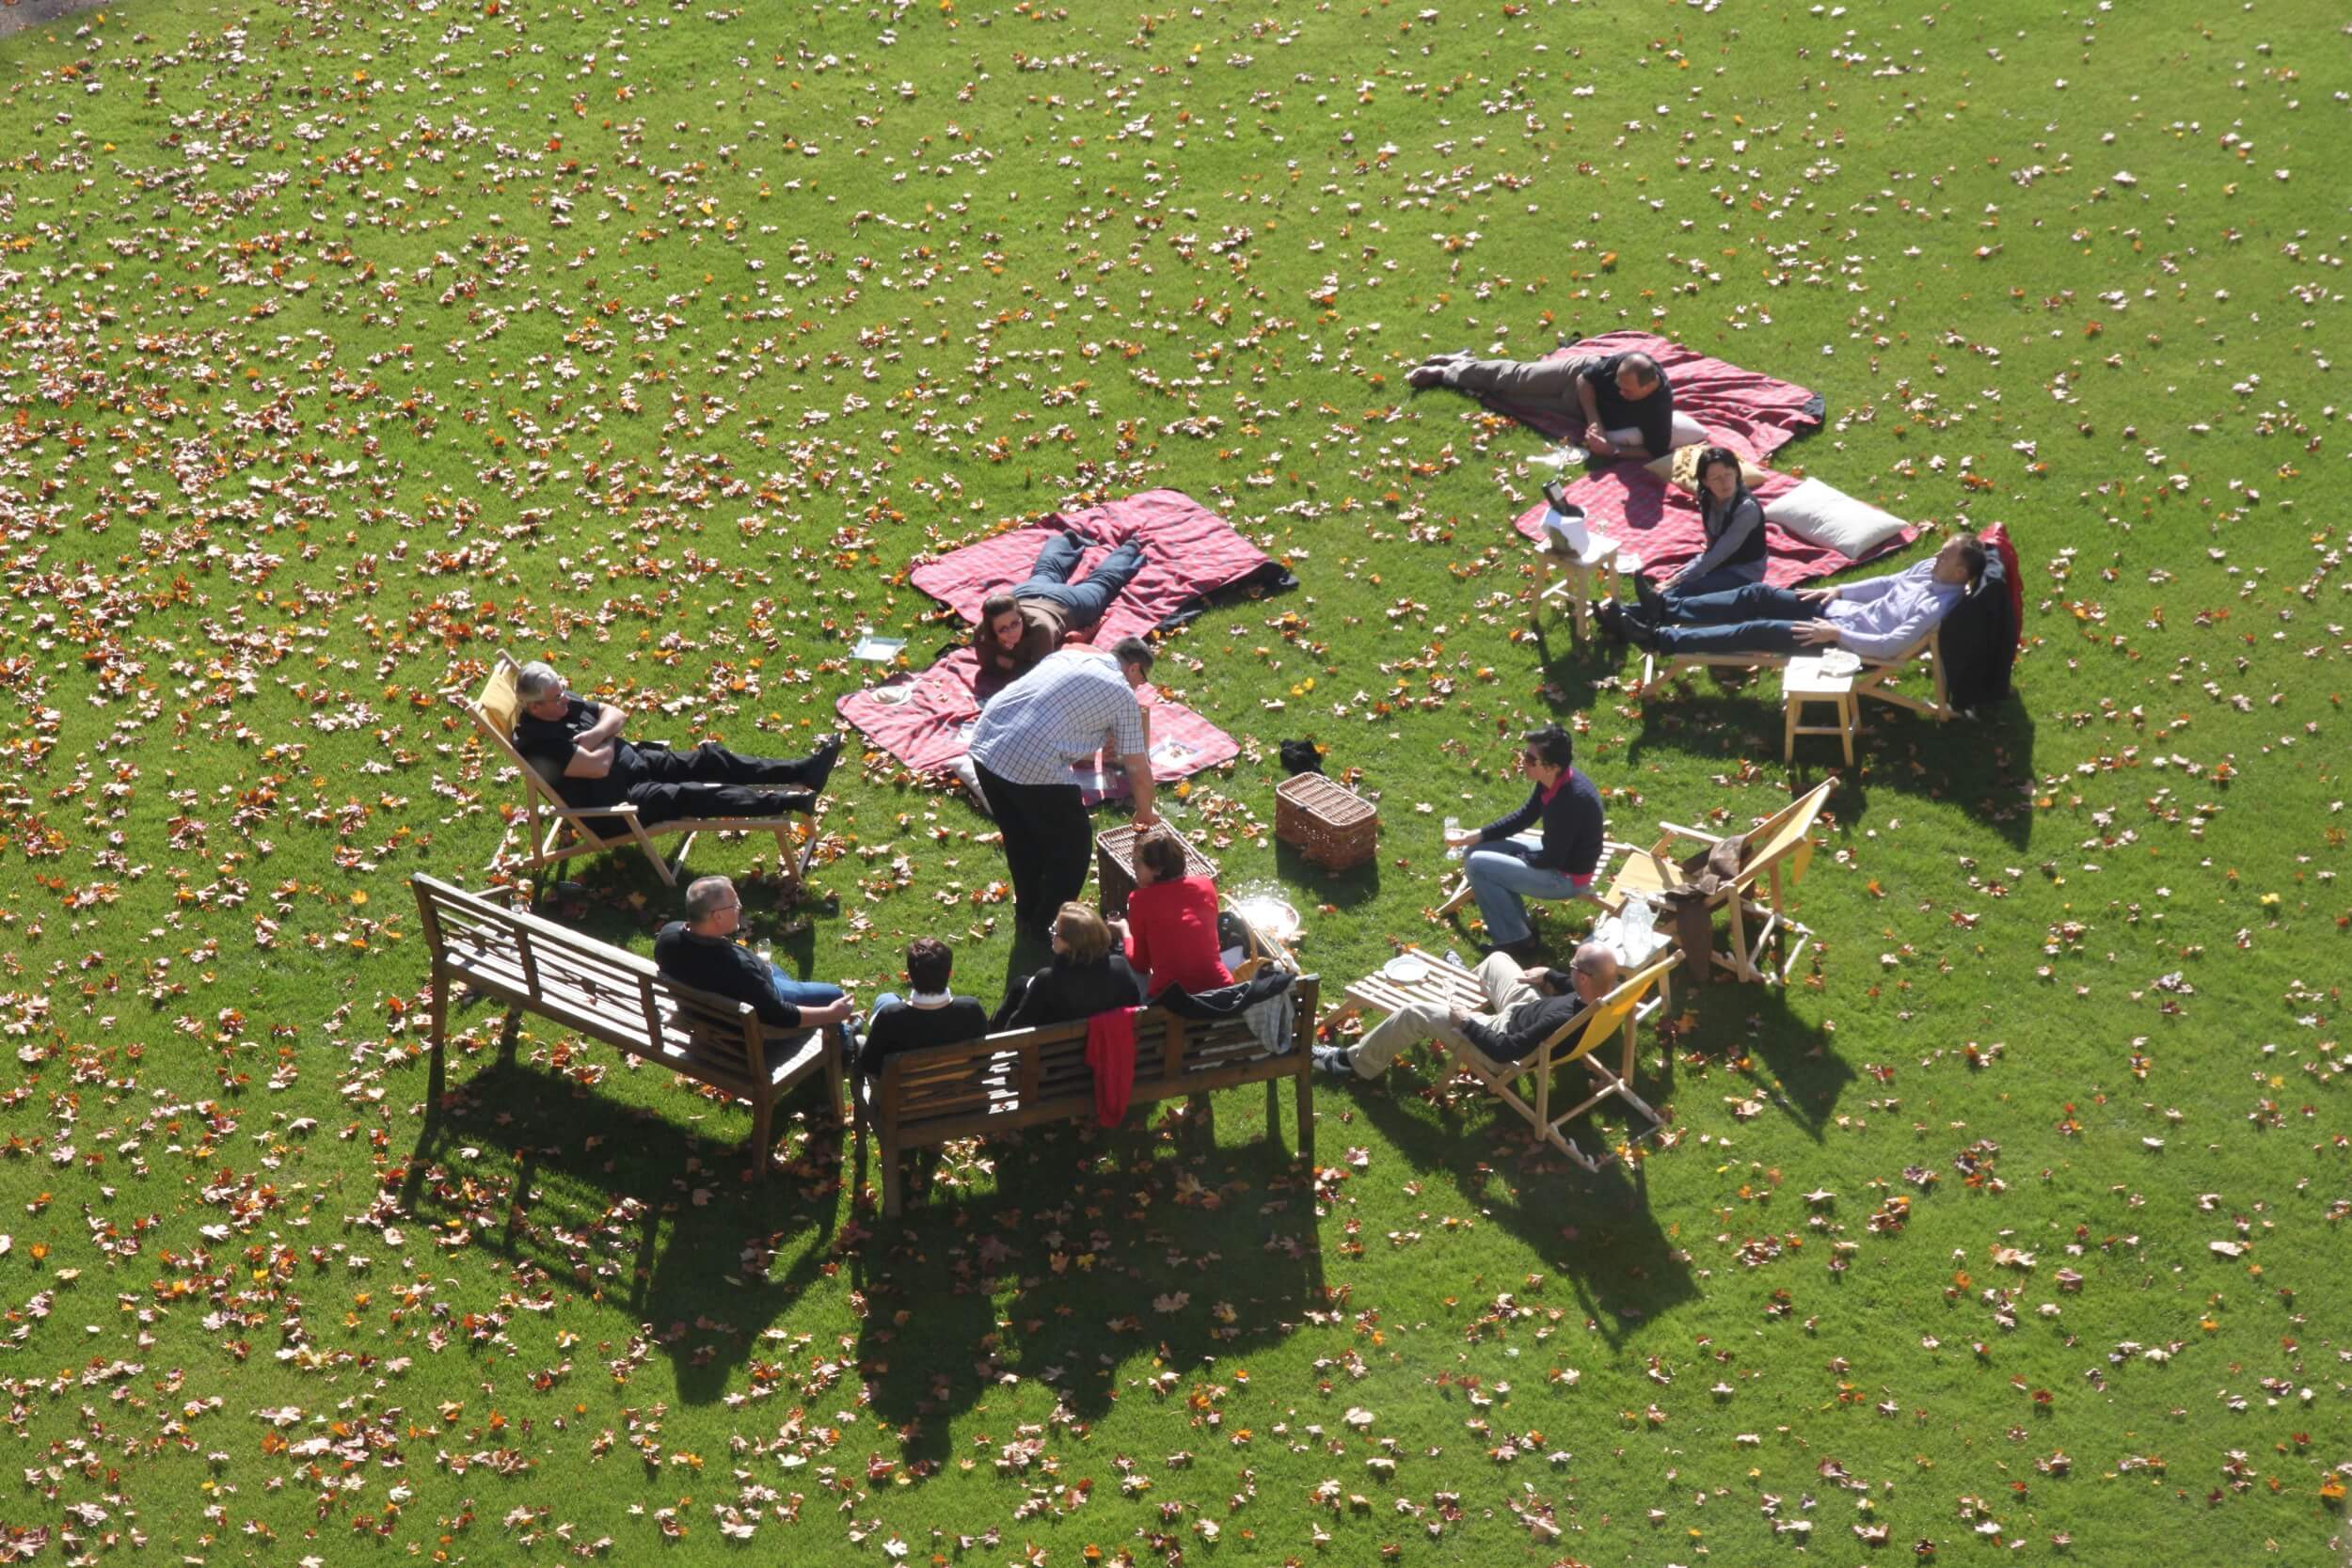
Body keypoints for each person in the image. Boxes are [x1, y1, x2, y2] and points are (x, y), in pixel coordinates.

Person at [968, 637, 1160, 940]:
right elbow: (1137, 767)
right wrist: (1145, 812)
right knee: (1074, 844)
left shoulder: (1067, 657)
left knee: (1021, 837)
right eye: (1142, 679)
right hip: (1029, 758)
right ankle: (1049, 925)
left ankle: (1028, 912)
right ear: (1134, 668)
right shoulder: (1122, 695)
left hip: (986, 744)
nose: (1139, 687)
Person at [511, 660, 842, 831]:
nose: (566, 698)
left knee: (709, 759)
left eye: (564, 689)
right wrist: (607, 733)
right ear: (536, 707)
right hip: (619, 805)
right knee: (690, 793)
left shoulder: (561, 704)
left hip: (636, 761)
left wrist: (599, 735)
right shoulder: (539, 743)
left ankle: (804, 770)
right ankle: (786, 802)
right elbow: (597, 768)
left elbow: (616, 713)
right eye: (557, 698)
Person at [1610, 532, 1987, 659]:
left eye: (1946, 554)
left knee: (1755, 630)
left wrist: (1837, 635)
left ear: (1959, 572)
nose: (1937, 554)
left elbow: (1889, 646)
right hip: (1841, 610)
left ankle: (1659, 639)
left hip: (1844, 644)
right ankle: (1665, 606)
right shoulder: (1928, 569)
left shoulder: (1937, 605)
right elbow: (1887, 583)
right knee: (1756, 594)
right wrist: (1839, 589)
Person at [1313, 943, 1621, 1083]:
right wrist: (1550, 976)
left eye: (1572, 965)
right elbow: (1571, 991)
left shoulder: (1559, 1022)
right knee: (1497, 960)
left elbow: (1503, 1052)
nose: (1569, 967)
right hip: (1524, 1009)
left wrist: (1467, 1024)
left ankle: (1353, 1063)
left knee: (1414, 1012)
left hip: (1498, 1037)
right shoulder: (1605, 998)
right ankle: (1470, 982)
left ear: (1583, 977)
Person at [1442, 724, 1606, 961]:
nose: (1523, 761)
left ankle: (1515, 942)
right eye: (1524, 754)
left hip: (1566, 876)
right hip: (1557, 854)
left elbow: (1552, 858)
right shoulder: (1553, 781)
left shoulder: (1570, 801)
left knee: (1479, 865)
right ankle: (1521, 930)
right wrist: (1475, 835)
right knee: (1475, 850)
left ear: (1552, 767)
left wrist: (1516, 859)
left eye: (1530, 759)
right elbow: (1524, 816)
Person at [653, 875, 855, 1045]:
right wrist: (831, 1013)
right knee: (834, 994)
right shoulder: (738, 969)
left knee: (773, 969)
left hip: (703, 1013)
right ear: (717, 917)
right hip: (744, 1031)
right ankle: (845, 1046)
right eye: (734, 905)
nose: (740, 907)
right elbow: (782, 1015)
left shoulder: (667, 937)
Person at [1406, 348, 1675, 463]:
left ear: (1648, 388)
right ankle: (1447, 372)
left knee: (1509, 400)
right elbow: (1585, 379)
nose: (1619, 391)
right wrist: (1595, 422)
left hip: (1575, 409)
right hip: (1577, 380)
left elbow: (1654, 450)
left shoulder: (1659, 406)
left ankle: (1465, 363)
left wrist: (1612, 450)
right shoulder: (1624, 363)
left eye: (1626, 390)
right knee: (1515, 379)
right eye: (1618, 384)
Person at [975, 531, 1150, 684]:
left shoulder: (1039, 629)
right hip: (1026, 593)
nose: (1012, 631)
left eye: (1015, 623)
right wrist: (1013, 664)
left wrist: (1007, 662)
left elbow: (1038, 674)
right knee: (1046, 571)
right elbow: (989, 666)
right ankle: (1066, 539)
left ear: (1021, 615)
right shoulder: (982, 631)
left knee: (1103, 583)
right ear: (992, 630)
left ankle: (1130, 547)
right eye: (1003, 629)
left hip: (1066, 603)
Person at [1634, 446, 1768, 620]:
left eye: (1728, 474)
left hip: (1744, 570)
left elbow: (1719, 554)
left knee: (1690, 588)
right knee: (1687, 581)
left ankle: (1640, 610)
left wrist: (1674, 580)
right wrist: (1681, 576)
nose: (1725, 483)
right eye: (1716, 478)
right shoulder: (1707, 498)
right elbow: (1712, 547)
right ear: (1705, 481)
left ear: (1736, 472)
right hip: (1719, 560)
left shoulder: (1746, 509)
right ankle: (1635, 610)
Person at [1107, 829, 1232, 999]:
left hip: (1172, 1000)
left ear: (1158, 869)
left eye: (1137, 862)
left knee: (1121, 966)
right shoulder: (1205, 884)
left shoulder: (1139, 899)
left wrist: (1124, 931)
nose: (1133, 866)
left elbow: (1140, 964)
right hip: (1220, 991)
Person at [993, 902, 1147, 1030]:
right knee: (1021, 984)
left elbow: (1013, 1032)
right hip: (1114, 1054)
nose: (1052, 935)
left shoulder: (1047, 980)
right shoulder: (1120, 968)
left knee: (1020, 987)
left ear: (1071, 944)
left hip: (1057, 1063)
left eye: (1055, 931)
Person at [857, 937, 991, 1082]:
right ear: (950, 973)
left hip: (906, 1101)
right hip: (964, 1097)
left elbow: (870, 1066)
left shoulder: (889, 1017)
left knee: (885, 999)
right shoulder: (971, 1010)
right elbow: (984, 1060)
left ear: (910, 977)